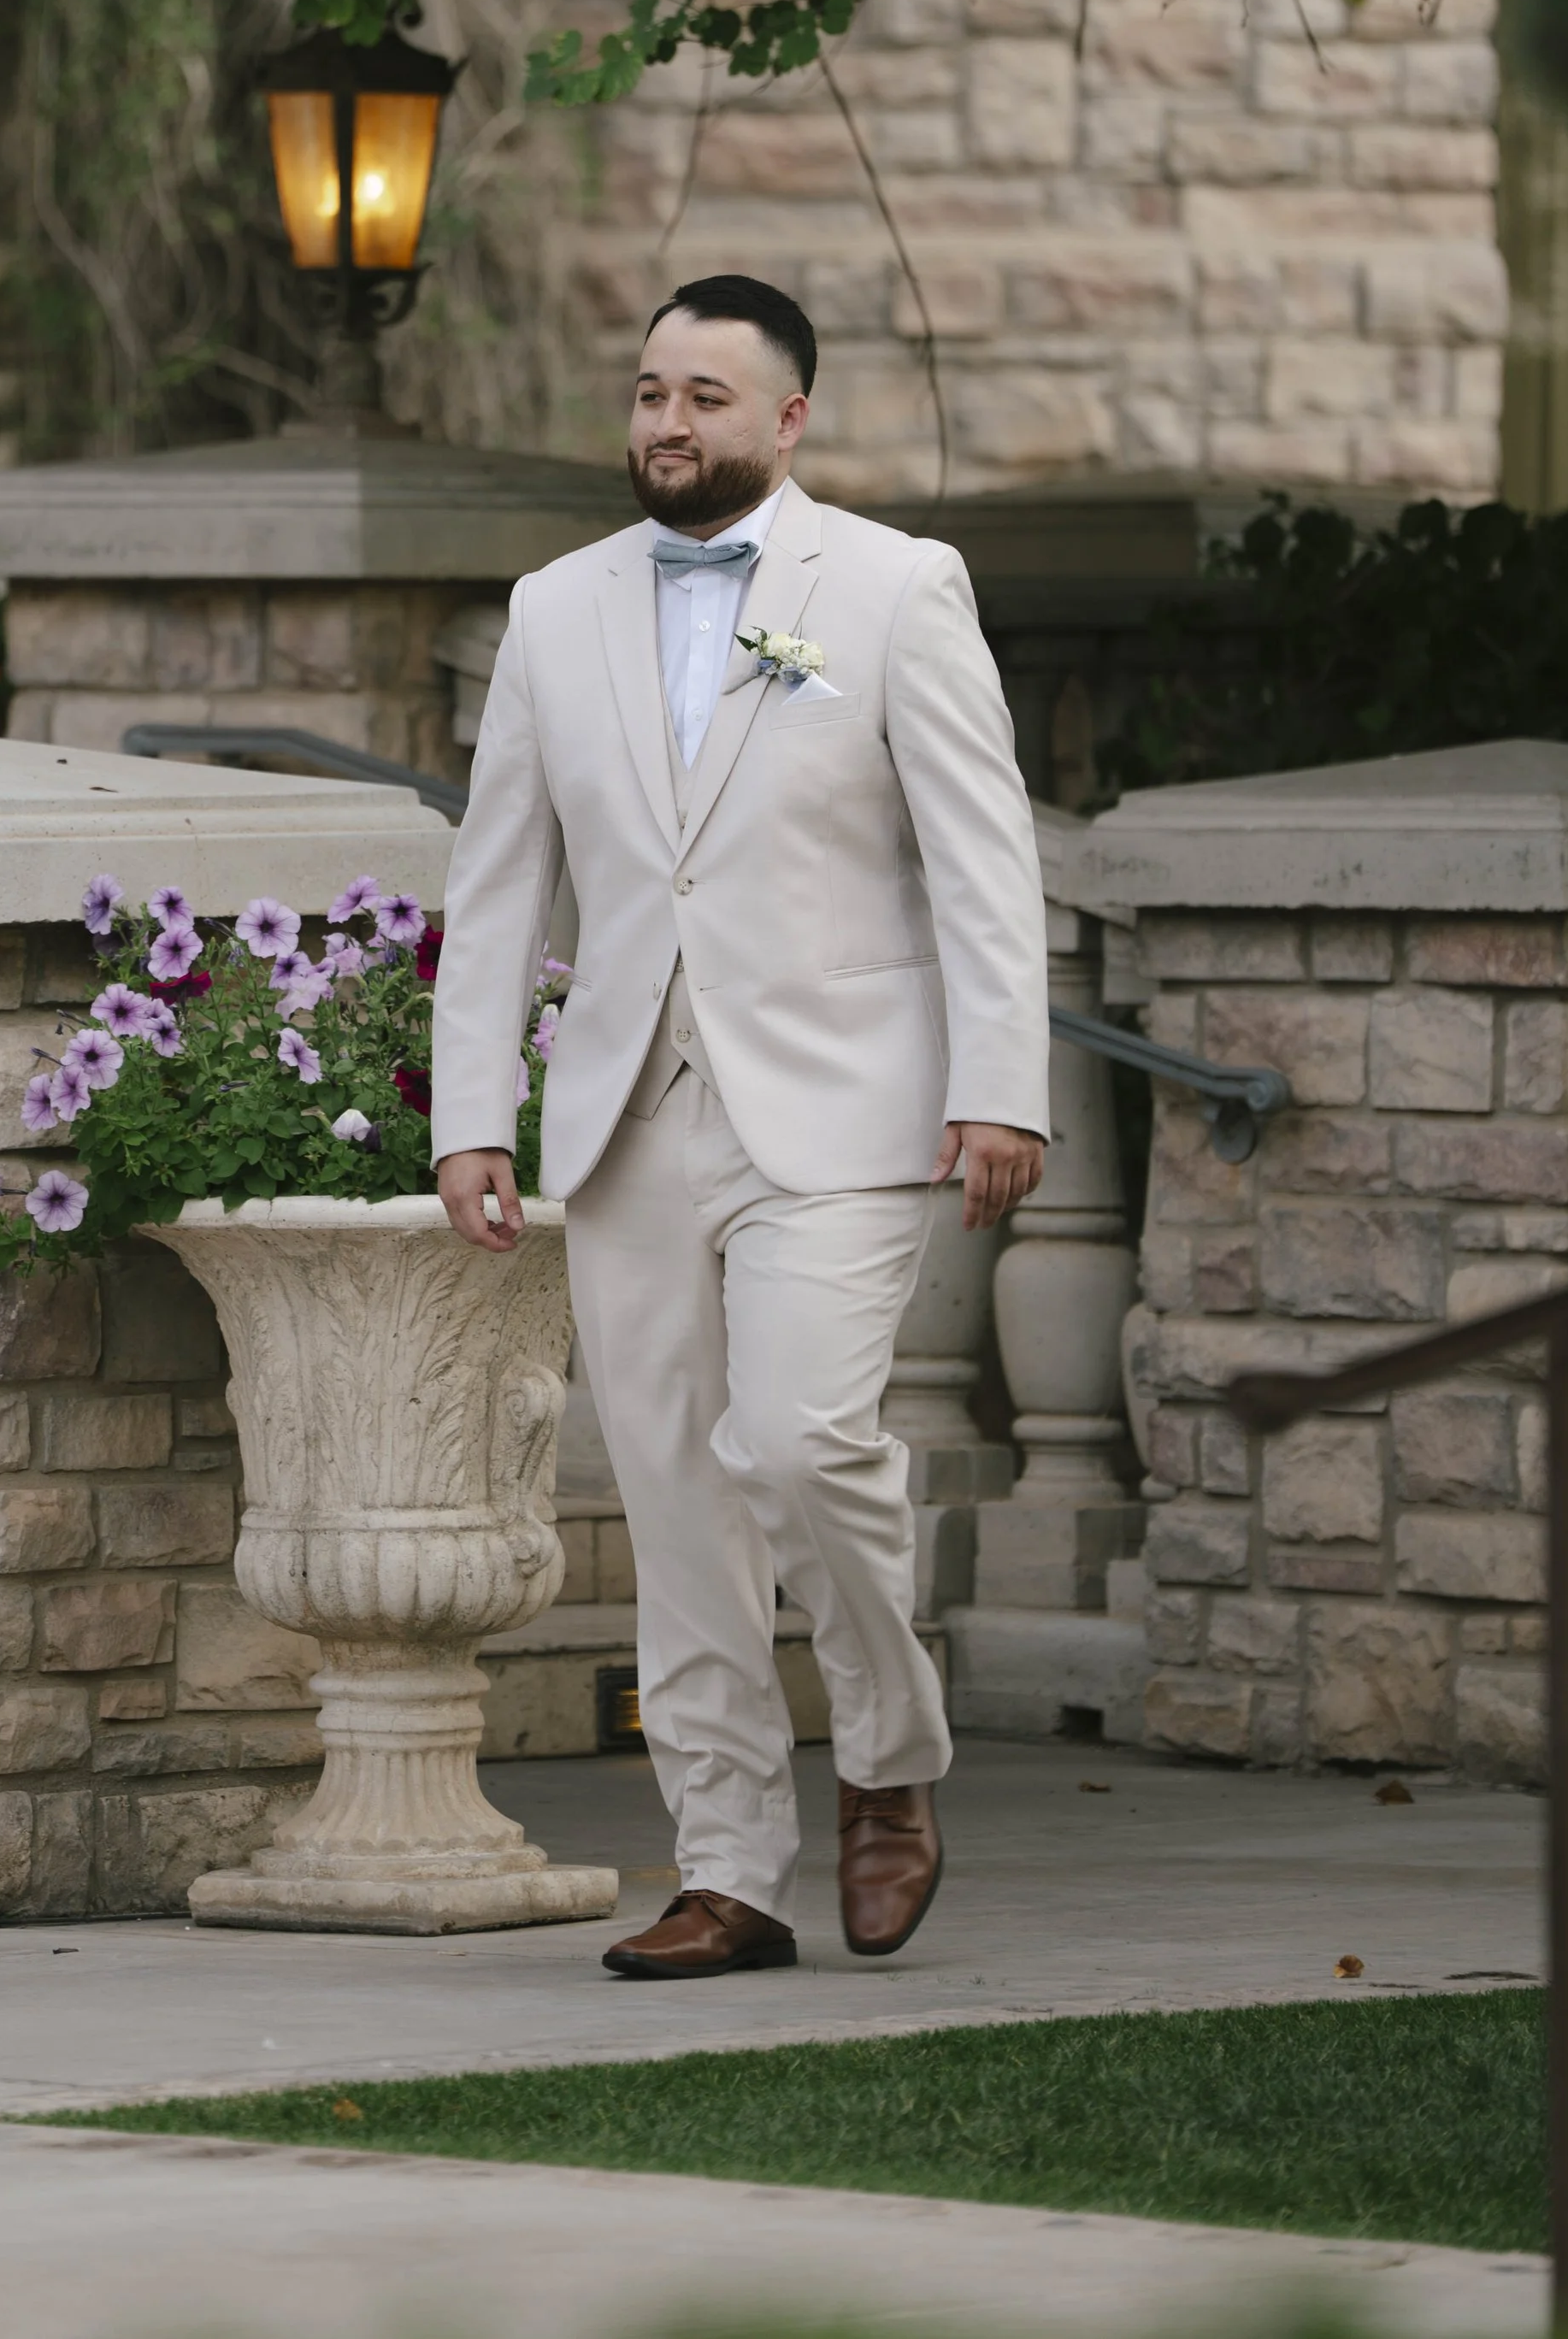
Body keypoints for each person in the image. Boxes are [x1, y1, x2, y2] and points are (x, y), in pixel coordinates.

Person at [429, 274, 1050, 1979]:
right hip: (628, 1111)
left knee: (793, 1440)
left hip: (842, 1104)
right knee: (669, 1499)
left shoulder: (894, 587)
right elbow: (495, 882)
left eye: (703, 396)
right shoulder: (553, 612)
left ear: (785, 421)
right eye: (644, 392)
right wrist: (469, 1110)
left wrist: (998, 1081)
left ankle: (888, 1753)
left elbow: (979, 851)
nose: (663, 423)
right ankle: (724, 1869)